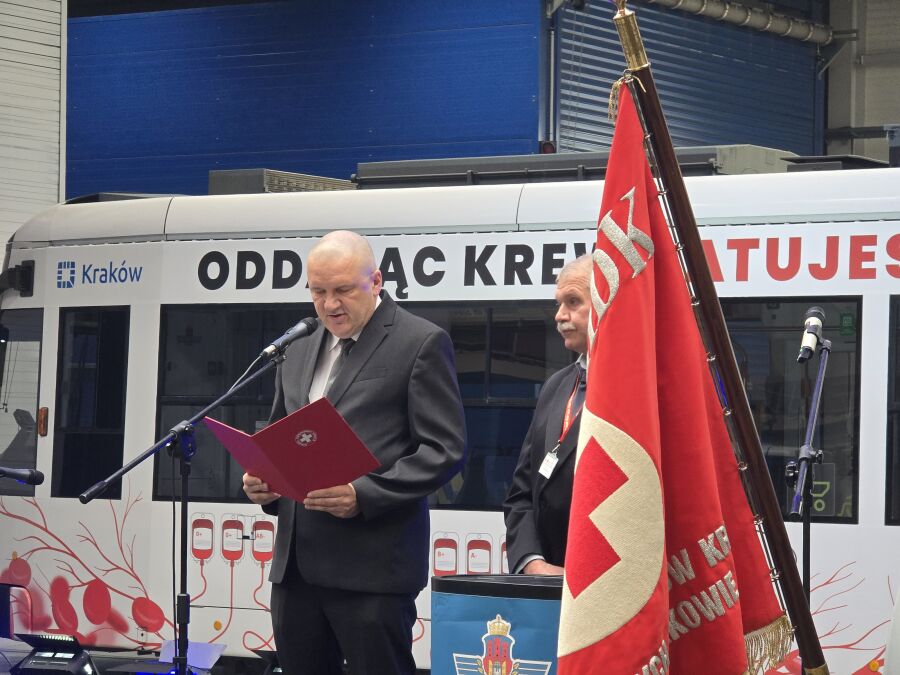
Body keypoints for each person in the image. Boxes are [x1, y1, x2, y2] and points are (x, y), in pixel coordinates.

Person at [242, 230, 466, 674]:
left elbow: (445, 449)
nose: (329, 305)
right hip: (296, 571)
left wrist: (364, 493)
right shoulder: (297, 346)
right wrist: (263, 479)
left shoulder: (420, 342)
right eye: (318, 292)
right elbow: (280, 432)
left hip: (373, 570)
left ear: (376, 281)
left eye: (343, 290)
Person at [503, 254, 592, 575]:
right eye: (559, 303)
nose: (559, 315)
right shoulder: (556, 385)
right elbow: (521, 492)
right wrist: (532, 562)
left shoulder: (641, 387)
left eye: (573, 302)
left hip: (608, 587)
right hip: (546, 585)